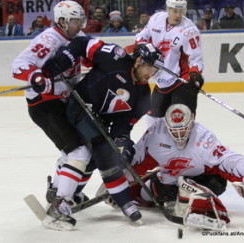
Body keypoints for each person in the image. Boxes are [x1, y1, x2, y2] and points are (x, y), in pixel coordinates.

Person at [38, 41, 164, 229]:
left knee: (95, 157)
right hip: (79, 108)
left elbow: (123, 126)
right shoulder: (115, 56)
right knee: (99, 148)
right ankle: (123, 202)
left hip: (100, 122)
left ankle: (66, 189)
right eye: (148, 67)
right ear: (138, 61)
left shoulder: (144, 96)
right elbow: (82, 45)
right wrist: (64, 58)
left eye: (154, 69)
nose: (151, 73)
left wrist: (122, 142)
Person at [128, 104, 244, 230]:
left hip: (204, 180)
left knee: (214, 181)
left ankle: (197, 203)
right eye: (174, 129)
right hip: (169, 184)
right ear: (166, 124)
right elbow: (136, 162)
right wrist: (119, 181)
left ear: (192, 120)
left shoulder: (203, 137)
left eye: (184, 128)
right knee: (141, 194)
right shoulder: (156, 133)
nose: (179, 134)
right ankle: (187, 200)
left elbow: (229, 159)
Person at [12, 0, 91, 231]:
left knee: (75, 148)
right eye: (76, 21)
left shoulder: (78, 36)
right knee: (78, 150)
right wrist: (36, 77)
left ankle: (57, 189)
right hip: (44, 104)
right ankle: (60, 205)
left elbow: (90, 57)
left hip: (63, 101)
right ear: (63, 21)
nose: (80, 24)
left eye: (80, 20)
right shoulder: (48, 40)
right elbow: (19, 65)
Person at [135, 0, 204, 125]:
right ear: (168, 9)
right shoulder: (156, 19)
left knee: (180, 121)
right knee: (152, 120)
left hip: (181, 81)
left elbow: (195, 58)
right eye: (174, 11)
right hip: (160, 80)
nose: (178, 15)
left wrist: (195, 73)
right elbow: (141, 36)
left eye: (181, 11)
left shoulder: (190, 30)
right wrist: (141, 46)